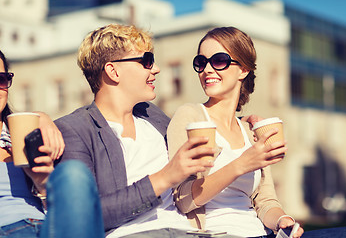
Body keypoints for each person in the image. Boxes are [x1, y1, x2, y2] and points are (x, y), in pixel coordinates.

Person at [54, 24, 217, 238]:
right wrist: (164, 178)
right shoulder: (75, 129)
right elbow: (86, 214)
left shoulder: (152, 115)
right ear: (113, 71)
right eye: (147, 61)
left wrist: (244, 122)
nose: (156, 69)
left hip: (189, 231)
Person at [167, 27, 304, 238]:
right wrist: (240, 165)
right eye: (201, 63)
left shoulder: (250, 131)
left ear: (243, 69)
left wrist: (282, 221)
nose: (207, 70)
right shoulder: (190, 117)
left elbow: (265, 201)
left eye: (219, 60)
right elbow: (182, 199)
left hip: (259, 233)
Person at [0, 50, 104, 238]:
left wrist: (42, 184)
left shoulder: (23, 132)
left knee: (74, 172)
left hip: (46, 227)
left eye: (0, 79)